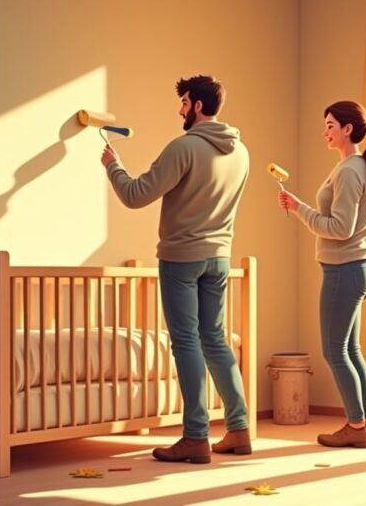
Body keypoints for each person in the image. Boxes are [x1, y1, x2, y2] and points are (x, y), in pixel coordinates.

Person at [101, 75, 251, 464]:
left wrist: (113, 166)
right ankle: (239, 429)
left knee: (185, 342)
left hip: (182, 257)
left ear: (198, 105)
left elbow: (136, 195)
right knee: (215, 340)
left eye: (184, 102)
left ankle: (195, 437)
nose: (180, 109)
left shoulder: (184, 147)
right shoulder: (241, 152)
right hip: (220, 257)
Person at [278, 100, 366, 449]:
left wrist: (300, 209)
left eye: (330, 125)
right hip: (360, 267)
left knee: (334, 351)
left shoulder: (349, 170)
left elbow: (341, 229)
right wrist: (300, 207)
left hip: (345, 269)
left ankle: (355, 426)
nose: (324, 131)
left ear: (347, 129)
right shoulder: (358, 166)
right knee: (351, 350)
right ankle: (364, 423)